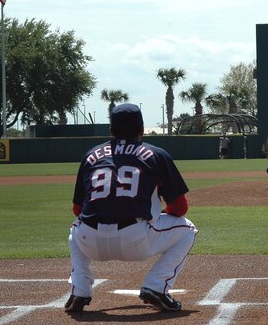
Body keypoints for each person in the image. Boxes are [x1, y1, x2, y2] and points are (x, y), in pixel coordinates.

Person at [65, 103, 198, 313]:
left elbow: (77, 209)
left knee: (75, 228)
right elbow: (180, 208)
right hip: (135, 240)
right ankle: (156, 287)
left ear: (111, 131)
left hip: (90, 242)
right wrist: (155, 216)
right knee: (187, 229)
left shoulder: (91, 155)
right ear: (142, 130)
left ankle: (80, 290)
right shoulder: (156, 154)